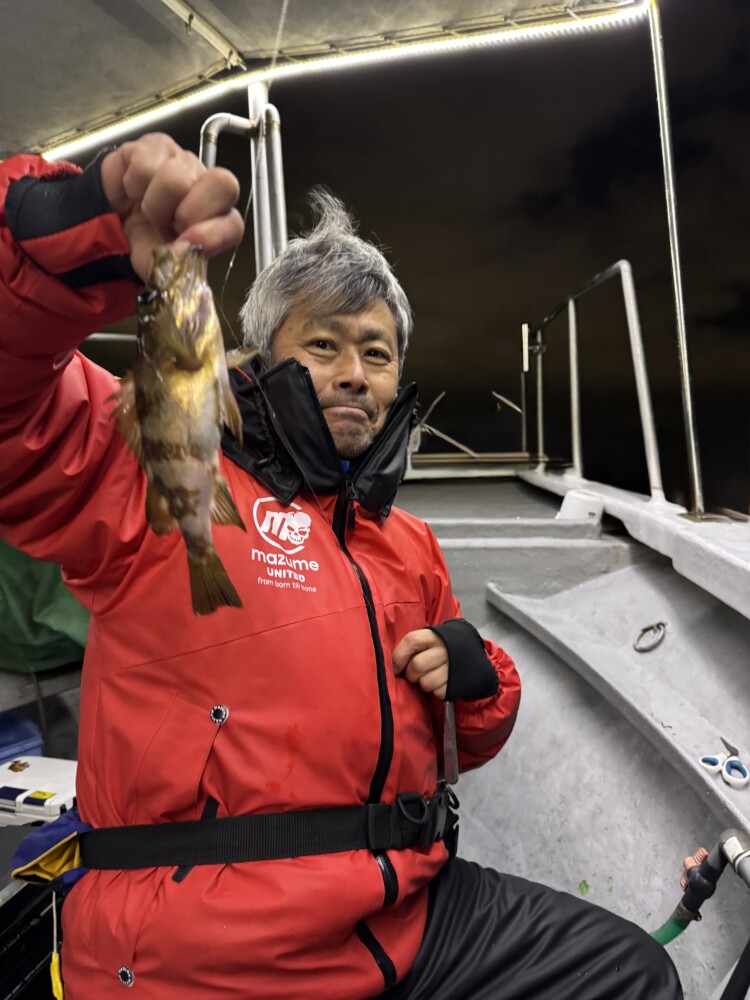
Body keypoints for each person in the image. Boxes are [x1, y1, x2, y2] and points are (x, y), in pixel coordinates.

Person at [0, 134, 681, 1000]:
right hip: (207, 946)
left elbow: (459, 741)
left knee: (631, 974)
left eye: (378, 351)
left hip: (411, 916)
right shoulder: (152, 465)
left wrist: (479, 679)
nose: (355, 375)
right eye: (323, 346)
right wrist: (69, 227)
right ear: (256, 355)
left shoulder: (408, 541)